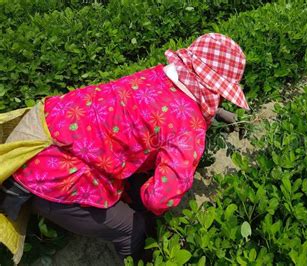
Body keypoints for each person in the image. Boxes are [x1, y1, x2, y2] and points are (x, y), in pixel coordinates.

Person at [0, 33, 249, 261]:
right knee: (133, 229)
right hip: (55, 176)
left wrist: (213, 111)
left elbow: (172, 103)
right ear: (214, 88)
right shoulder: (189, 129)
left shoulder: (156, 74)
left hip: (41, 132)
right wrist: (142, 199)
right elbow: (161, 199)